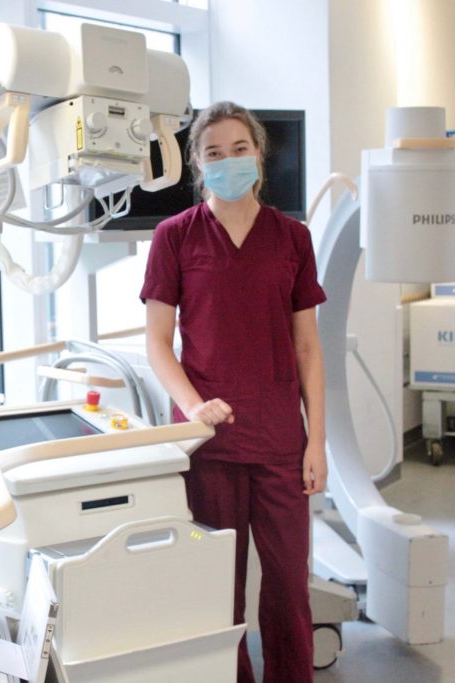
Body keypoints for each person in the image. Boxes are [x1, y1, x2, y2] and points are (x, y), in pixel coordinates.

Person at [140, 101, 327, 682]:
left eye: (238, 149)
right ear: (197, 165)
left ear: (259, 155)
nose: (228, 161)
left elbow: (307, 350)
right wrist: (194, 406)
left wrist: (316, 441)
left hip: (279, 442)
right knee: (218, 588)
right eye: (213, 153)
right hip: (208, 441)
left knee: (289, 588)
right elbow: (157, 344)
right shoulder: (175, 237)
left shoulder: (292, 239)